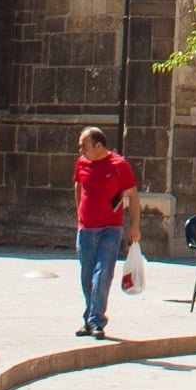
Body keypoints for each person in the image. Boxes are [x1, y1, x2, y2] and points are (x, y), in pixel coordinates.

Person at [73, 125, 139, 338]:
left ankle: (96, 321)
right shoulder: (82, 163)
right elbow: (78, 186)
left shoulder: (119, 166)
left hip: (110, 229)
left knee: (103, 274)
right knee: (86, 276)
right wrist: (79, 213)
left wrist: (134, 226)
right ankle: (89, 318)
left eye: (84, 146)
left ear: (98, 145)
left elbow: (134, 197)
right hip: (86, 229)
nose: (81, 150)